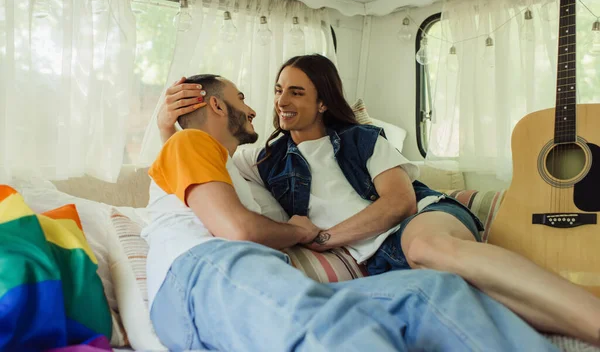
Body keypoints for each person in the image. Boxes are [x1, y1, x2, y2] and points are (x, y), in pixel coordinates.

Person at [158, 56, 600, 347]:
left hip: (420, 222)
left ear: (323, 102)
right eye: (277, 90)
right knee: (463, 292)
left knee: (428, 251)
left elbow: (399, 202)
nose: (278, 102)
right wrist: (166, 124)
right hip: (383, 261)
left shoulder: (361, 138)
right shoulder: (265, 157)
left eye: (295, 91)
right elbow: (205, 159)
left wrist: (327, 236)